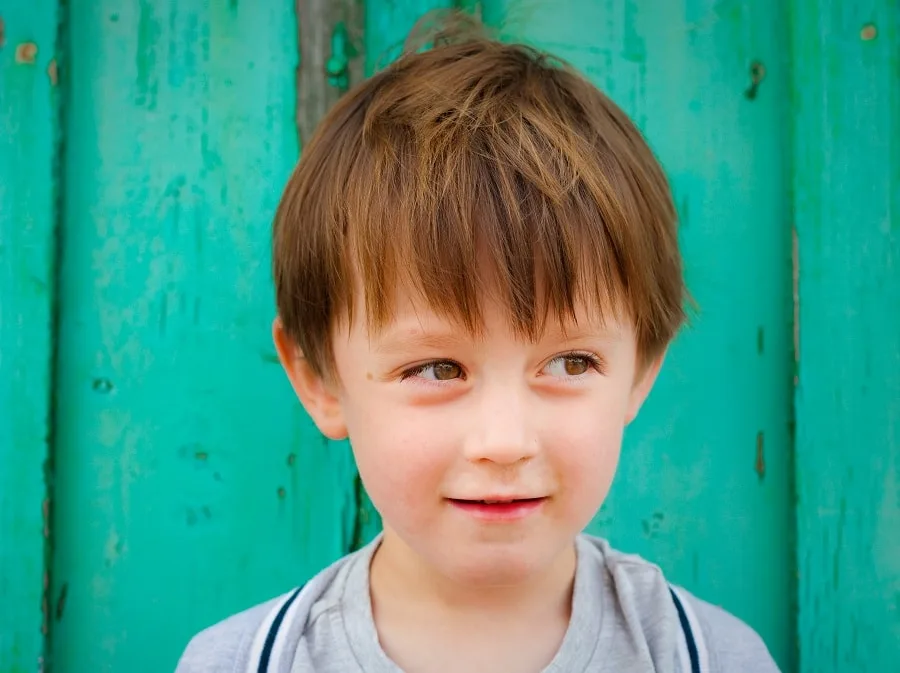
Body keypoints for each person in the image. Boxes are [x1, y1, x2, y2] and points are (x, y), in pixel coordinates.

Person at [176, 13, 780, 673]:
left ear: (642, 368)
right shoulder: (241, 661)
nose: (504, 441)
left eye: (570, 361)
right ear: (320, 378)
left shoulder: (708, 656)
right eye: (438, 367)